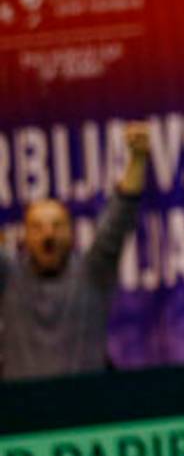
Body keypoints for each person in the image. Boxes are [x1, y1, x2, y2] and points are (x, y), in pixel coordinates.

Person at [1, 121, 149, 381]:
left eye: (57, 225)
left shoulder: (92, 273)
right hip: (21, 414)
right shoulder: (9, 279)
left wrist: (138, 158)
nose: (48, 234)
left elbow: (118, 220)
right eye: (37, 227)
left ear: (71, 232)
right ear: (24, 235)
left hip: (87, 412)